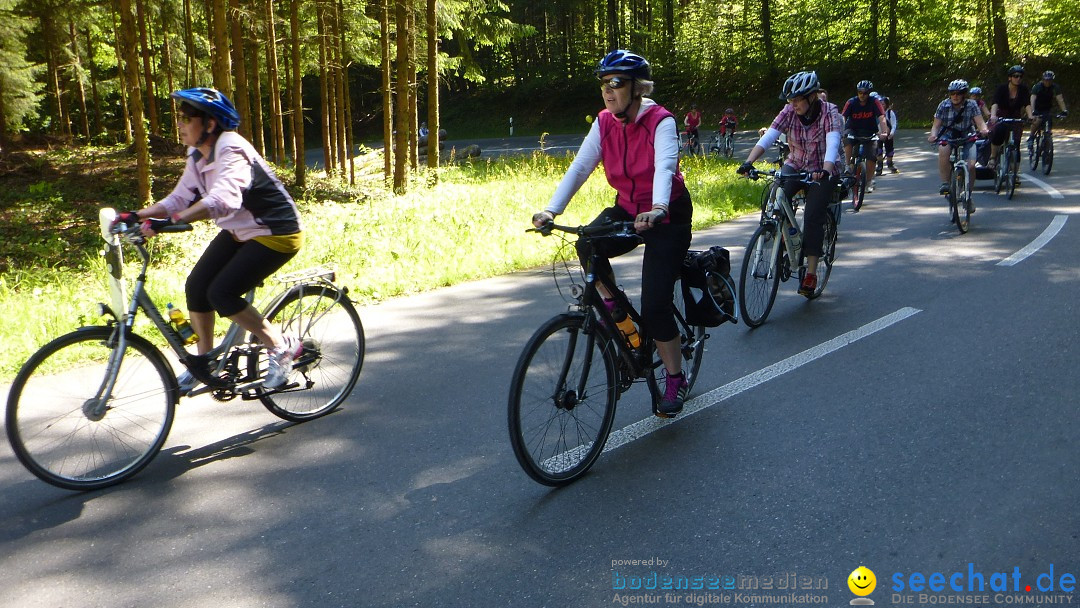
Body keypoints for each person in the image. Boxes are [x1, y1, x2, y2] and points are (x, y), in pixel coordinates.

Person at [531, 50, 693, 417]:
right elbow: (579, 168)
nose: (608, 91)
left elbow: (665, 167)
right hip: (628, 208)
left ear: (637, 88)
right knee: (587, 243)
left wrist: (659, 208)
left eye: (617, 83)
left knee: (654, 306)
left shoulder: (660, 121)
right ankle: (622, 323)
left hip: (667, 214)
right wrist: (551, 210)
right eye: (604, 84)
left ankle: (674, 376)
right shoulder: (604, 122)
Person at [114, 87, 304, 393]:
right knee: (196, 287)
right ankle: (206, 362)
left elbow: (223, 200)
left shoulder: (231, 149)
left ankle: (281, 346)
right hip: (240, 232)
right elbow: (179, 198)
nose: (179, 123)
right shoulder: (198, 155)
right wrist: (136, 215)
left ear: (210, 124)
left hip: (276, 233)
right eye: (179, 117)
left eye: (186, 118)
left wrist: (171, 221)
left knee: (221, 293)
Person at [737, 70, 844, 298]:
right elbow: (769, 136)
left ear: (812, 97)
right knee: (777, 192)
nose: (792, 104)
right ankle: (782, 232)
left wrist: (825, 171)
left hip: (823, 167)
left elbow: (833, 144)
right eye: (790, 100)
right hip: (796, 162)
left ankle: (811, 273)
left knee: (814, 214)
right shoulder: (788, 111)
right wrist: (748, 162)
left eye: (797, 99)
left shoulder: (830, 113)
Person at [927, 80, 990, 209]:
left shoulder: (972, 105)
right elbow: (936, 125)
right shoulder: (943, 105)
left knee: (971, 165)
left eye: (958, 93)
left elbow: (979, 121)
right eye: (952, 93)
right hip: (948, 134)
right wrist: (933, 135)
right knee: (943, 149)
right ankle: (945, 183)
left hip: (968, 134)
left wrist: (984, 130)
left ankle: (968, 196)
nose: (955, 96)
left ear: (964, 94)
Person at [841, 80, 888, 192]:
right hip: (853, 129)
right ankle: (847, 165)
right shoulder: (851, 102)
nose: (862, 95)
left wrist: (884, 132)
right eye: (860, 92)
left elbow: (881, 117)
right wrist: (840, 131)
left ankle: (868, 181)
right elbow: (843, 118)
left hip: (869, 131)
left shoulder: (874, 102)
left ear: (869, 93)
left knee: (872, 155)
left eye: (865, 93)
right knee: (847, 140)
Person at [989, 65, 1033, 170]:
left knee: (1016, 145)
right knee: (999, 132)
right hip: (1002, 115)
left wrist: (1030, 115)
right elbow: (995, 103)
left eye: (1020, 77)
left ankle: (1015, 173)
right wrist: (993, 115)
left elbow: (1027, 104)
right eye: (1015, 76)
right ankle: (993, 157)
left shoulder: (1023, 89)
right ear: (1010, 77)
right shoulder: (1002, 88)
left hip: (1015, 117)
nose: (1018, 79)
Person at [1029, 70, 1068, 150]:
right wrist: (1033, 111)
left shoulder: (1055, 87)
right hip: (1037, 108)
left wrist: (1064, 111)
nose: (1047, 82)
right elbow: (1032, 99)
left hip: (1047, 109)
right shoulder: (1037, 87)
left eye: (1049, 80)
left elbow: (1060, 99)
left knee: (1049, 121)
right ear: (1043, 80)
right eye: (1046, 80)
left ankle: (1047, 141)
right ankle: (1031, 137)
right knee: (1037, 121)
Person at [882, 97, 899, 173]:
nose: (881, 105)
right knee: (878, 150)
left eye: (883, 104)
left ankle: (890, 164)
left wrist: (891, 133)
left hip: (889, 135)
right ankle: (879, 166)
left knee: (889, 150)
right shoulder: (876, 112)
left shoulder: (890, 113)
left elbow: (894, 124)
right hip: (879, 134)